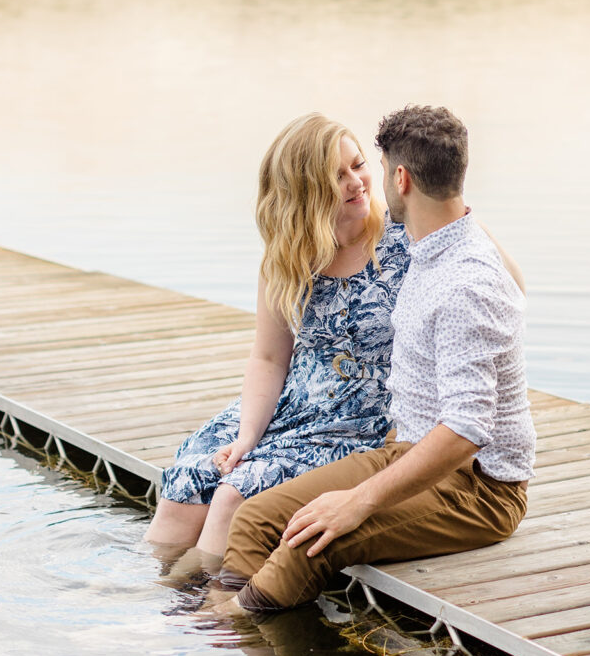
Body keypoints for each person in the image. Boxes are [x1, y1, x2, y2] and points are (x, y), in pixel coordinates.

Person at [216, 105, 537, 612]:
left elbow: (466, 432)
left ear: (401, 178)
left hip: (479, 488)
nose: (370, 185)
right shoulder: (423, 246)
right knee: (256, 518)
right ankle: (227, 635)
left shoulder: (465, 283)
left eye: (376, 168)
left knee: (309, 541)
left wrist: (357, 502)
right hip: (407, 450)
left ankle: (205, 640)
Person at [144, 113, 410, 561]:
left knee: (233, 495)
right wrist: (249, 434)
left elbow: (502, 283)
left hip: (360, 421)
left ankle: (202, 618)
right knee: (192, 473)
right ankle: (149, 600)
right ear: (305, 191)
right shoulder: (288, 256)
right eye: (336, 176)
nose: (356, 182)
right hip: (290, 405)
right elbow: (268, 358)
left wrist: (464, 219)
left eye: (358, 165)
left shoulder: (407, 241)